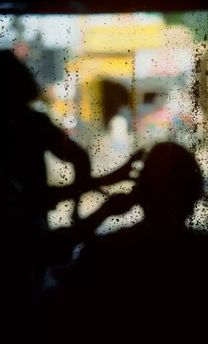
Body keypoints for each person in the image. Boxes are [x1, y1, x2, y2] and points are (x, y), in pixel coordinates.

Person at [0, 49, 141, 342]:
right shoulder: (33, 123)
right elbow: (76, 160)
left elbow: (38, 197)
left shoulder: (29, 124)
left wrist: (88, 198)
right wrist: (85, 205)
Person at [46, 142, 208, 343]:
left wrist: (102, 214)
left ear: (140, 193)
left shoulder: (107, 254)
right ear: (195, 195)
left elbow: (59, 300)